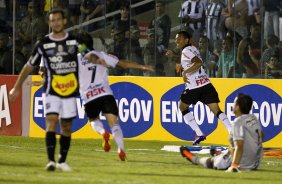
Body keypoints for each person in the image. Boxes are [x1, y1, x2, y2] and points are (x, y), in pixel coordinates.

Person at [8, 9, 103, 172]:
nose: (56, 23)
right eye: (53, 20)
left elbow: (87, 57)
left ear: (64, 21)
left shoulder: (75, 42)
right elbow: (29, 65)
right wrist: (17, 87)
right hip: (51, 89)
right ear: (49, 23)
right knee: (51, 122)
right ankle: (51, 161)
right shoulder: (42, 44)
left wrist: (100, 62)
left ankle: (62, 161)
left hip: (70, 90)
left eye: (59, 19)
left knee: (66, 126)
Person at [76, 32, 154, 161]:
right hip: (105, 94)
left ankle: (102, 133)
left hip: (89, 97)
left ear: (80, 45)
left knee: (94, 121)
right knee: (114, 124)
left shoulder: (76, 59)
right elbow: (123, 64)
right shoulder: (102, 55)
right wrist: (142, 66)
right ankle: (121, 149)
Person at [180, 93, 263, 172]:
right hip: (255, 163)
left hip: (242, 164)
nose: (232, 105)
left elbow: (239, 146)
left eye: (234, 103)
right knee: (234, 144)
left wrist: (234, 166)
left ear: (237, 107)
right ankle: (221, 154)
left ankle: (194, 159)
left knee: (212, 162)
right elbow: (261, 136)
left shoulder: (238, 122)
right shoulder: (253, 118)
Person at [175, 31, 231, 145]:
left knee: (182, 106)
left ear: (186, 40)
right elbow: (191, 60)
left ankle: (199, 133)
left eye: (179, 38)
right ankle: (232, 131)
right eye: (176, 39)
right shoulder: (193, 48)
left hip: (194, 86)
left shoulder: (186, 50)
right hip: (205, 84)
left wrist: (185, 72)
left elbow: (199, 63)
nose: (177, 41)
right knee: (217, 110)